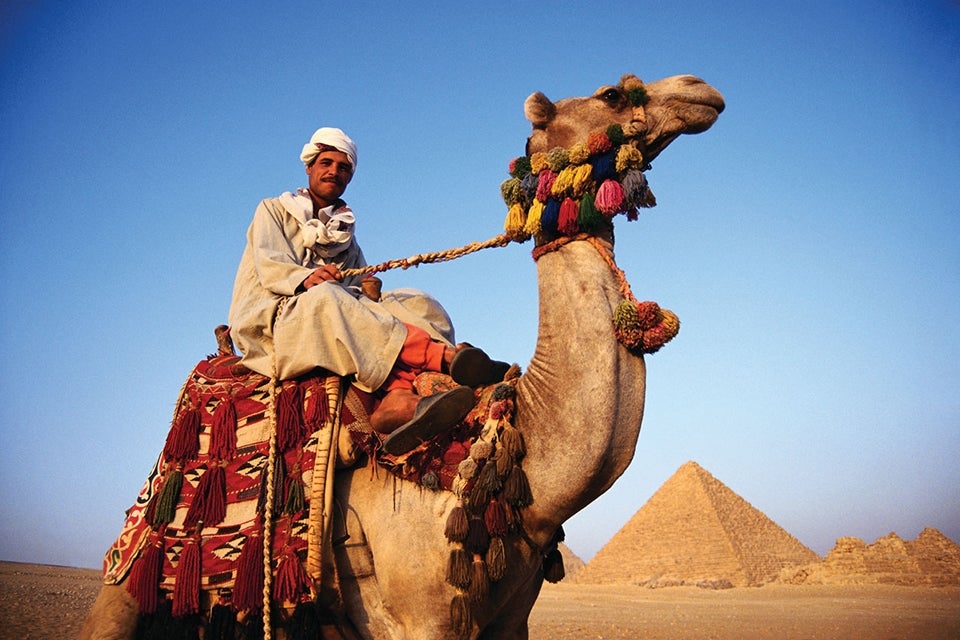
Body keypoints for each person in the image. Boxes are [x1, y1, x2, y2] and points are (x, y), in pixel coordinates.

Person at [228, 127, 507, 455]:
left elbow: (356, 294)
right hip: (274, 316)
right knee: (327, 298)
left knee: (413, 299)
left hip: (327, 312)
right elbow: (271, 264)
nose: (334, 171)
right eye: (326, 162)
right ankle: (442, 358)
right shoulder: (273, 210)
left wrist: (370, 291)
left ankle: (399, 397)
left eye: (343, 167)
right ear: (309, 167)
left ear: (350, 177)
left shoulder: (346, 237)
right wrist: (306, 279)